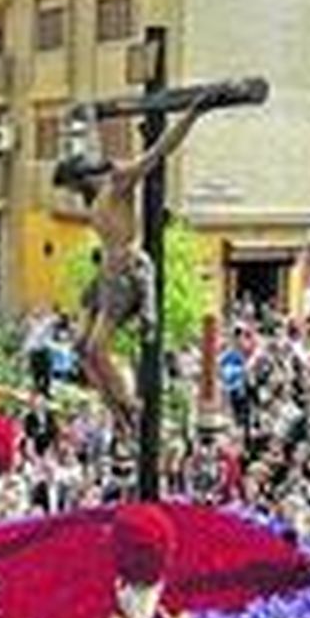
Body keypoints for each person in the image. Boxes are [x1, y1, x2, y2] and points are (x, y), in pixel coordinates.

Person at [54, 89, 216, 443]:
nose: (73, 191)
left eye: (72, 184)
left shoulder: (119, 181)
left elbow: (159, 152)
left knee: (97, 348)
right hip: (105, 274)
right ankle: (119, 413)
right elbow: (83, 137)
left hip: (124, 273)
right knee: (80, 347)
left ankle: (132, 404)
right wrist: (86, 116)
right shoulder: (96, 194)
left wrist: (192, 112)